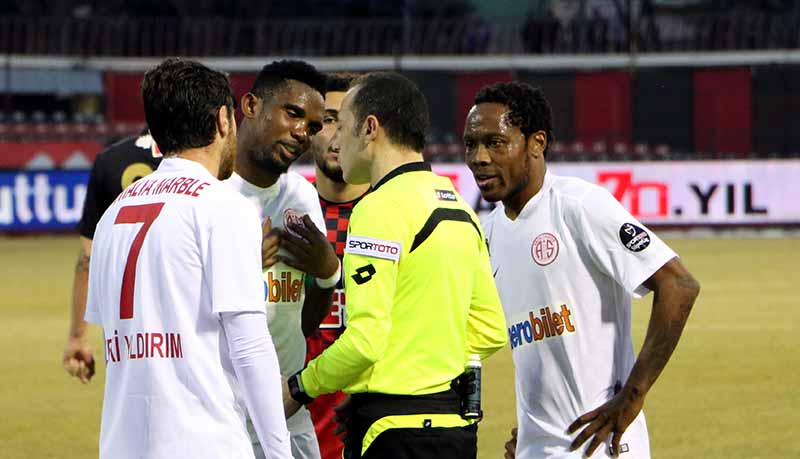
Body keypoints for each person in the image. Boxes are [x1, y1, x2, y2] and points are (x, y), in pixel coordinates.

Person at [462, 81, 700, 459]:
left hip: (604, 447)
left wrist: (632, 396)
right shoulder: (486, 234)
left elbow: (679, 284)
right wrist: (531, 434)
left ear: (536, 143)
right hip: (536, 450)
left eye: (495, 142)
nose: (478, 157)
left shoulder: (579, 207)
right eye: (471, 144)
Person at [283, 72, 508, 459]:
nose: (337, 141)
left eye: (345, 127)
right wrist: (423, 364)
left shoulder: (378, 208)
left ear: (370, 128)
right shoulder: (459, 206)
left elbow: (365, 342)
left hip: (393, 431)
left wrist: (299, 387)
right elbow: (490, 330)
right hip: (455, 431)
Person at [84, 58, 291, 459]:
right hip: (203, 442)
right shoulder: (222, 207)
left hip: (123, 445)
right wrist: (280, 453)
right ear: (223, 121)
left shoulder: (113, 215)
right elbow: (249, 347)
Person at [227, 59, 341, 459]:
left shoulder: (302, 197)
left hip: (287, 414)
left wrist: (328, 275)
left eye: (312, 126)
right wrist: (239, 269)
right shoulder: (210, 194)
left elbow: (305, 322)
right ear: (251, 106)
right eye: (292, 113)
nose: (302, 133)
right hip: (224, 413)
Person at [62, 129, 161, 383]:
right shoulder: (205, 161)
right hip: (189, 323)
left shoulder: (110, 160)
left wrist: (77, 336)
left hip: (126, 332)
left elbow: (88, 258)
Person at [306, 72, 370, 459]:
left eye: (349, 119)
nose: (337, 131)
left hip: (377, 434)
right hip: (293, 434)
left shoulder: (396, 217)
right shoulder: (284, 216)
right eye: (328, 119)